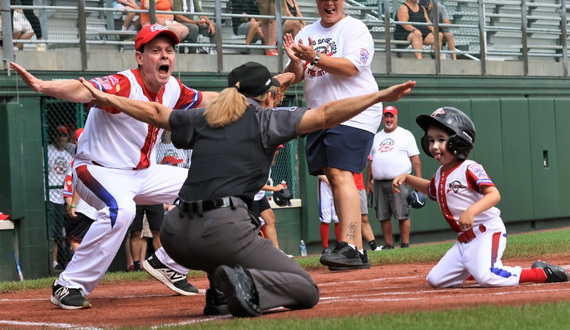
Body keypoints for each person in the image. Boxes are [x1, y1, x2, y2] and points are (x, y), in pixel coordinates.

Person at [80, 61, 415, 317]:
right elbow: (326, 114)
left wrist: (108, 97)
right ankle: (244, 285)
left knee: (227, 226)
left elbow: (155, 112)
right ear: (267, 95)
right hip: (221, 231)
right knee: (305, 288)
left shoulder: (204, 117)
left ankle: (219, 295)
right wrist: (380, 96)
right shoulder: (266, 120)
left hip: (175, 234)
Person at [10, 23, 220, 309]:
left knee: (209, 188)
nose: (164, 56)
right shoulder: (124, 83)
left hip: (144, 173)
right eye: (156, 50)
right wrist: (43, 86)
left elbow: (206, 99)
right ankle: (68, 285)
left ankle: (169, 263)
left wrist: (244, 100)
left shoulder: (172, 87)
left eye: (169, 51)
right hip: (97, 169)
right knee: (122, 210)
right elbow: (83, 91)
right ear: (139, 57)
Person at [392, 107, 569, 288]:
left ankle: (542, 273)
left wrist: (471, 211)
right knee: (436, 280)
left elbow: (494, 194)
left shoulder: (469, 167)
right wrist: (406, 178)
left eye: (441, 140)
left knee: (487, 278)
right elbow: (432, 189)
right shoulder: (440, 173)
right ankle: (476, 268)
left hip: (486, 232)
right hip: (464, 242)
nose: (434, 146)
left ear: (459, 142)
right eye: (430, 140)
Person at [284, 0, 383, 270]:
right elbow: (295, 77)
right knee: (332, 176)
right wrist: (295, 63)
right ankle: (357, 252)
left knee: (340, 174)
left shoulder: (356, 29)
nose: (330, 3)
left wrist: (313, 56)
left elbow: (352, 67)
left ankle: (350, 244)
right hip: (321, 115)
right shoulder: (306, 33)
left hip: (355, 110)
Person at [367, 105, 421, 250]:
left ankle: (405, 243)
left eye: (391, 116)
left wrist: (419, 182)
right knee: (383, 214)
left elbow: (415, 159)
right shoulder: (376, 136)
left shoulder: (405, 134)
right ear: (383, 118)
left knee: (402, 213)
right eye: (386, 116)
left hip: (399, 181)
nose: (389, 119)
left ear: (396, 118)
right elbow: (370, 161)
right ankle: (388, 244)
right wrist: (368, 183)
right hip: (379, 182)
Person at [63, 129, 96, 254]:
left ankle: (81, 269)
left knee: (76, 240)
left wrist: (72, 205)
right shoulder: (99, 157)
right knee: (93, 240)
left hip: (82, 207)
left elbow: (76, 184)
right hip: (98, 206)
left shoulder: (78, 160)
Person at [47, 125, 74, 271]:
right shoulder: (47, 150)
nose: (61, 138)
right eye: (58, 135)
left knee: (63, 233)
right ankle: (54, 262)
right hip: (49, 197)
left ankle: (64, 260)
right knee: (53, 233)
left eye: (63, 135)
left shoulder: (68, 157)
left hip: (64, 198)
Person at [355, 172, 381, 252]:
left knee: (364, 219)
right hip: (346, 188)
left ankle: (374, 247)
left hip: (359, 186)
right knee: (351, 219)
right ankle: (355, 248)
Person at [317, 175, 339, 256]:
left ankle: (340, 244)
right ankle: (325, 247)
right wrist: (328, 181)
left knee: (338, 217)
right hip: (324, 183)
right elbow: (316, 171)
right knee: (325, 218)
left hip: (337, 181)